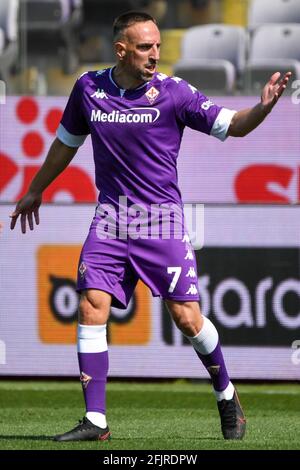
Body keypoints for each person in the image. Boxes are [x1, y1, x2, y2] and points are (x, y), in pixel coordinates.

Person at [10, 11, 291, 442]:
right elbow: (66, 143)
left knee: (186, 319)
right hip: (110, 220)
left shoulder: (174, 94)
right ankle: (96, 421)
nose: (155, 55)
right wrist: (36, 188)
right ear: (121, 50)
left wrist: (263, 107)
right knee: (90, 306)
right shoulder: (88, 89)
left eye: (158, 46)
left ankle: (226, 393)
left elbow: (233, 125)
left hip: (161, 221)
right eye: (145, 47)